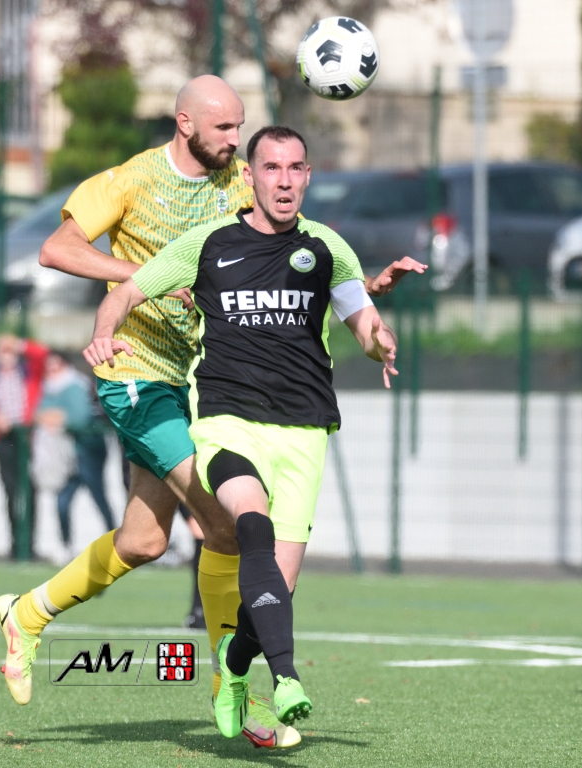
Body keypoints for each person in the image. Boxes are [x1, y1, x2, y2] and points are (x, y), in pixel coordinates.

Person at [0, 75, 422, 749]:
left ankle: (27, 613)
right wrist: (154, 274)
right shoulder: (132, 180)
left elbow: (286, 260)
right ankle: (236, 691)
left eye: (240, 127)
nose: (235, 139)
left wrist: (362, 291)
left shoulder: (236, 183)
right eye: (224, 128)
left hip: (195, 378)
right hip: (137, 373)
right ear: (185, 123)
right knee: (226, 523)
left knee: (144, 541)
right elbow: (57, 250)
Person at [85, 125, 405, 738]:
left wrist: (381, 343)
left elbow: (364, 324)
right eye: (271, 168)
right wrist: (105, 333)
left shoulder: (327, 248)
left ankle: (235, 667)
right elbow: (124, 294)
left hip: (303, 430)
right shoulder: (208, 243)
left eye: (295, 168)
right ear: (250, 177)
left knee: (276, 592)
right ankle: (286, 679)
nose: (284, 181)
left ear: (308, 176)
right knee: (248, 523)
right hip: (227, 421)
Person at [34, 351, 117, 560]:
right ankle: (65, 544)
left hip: (88, 453)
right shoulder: (49, 388)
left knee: (99, 498)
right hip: (66, 458)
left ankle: (115, 542)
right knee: (62, 501)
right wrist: (55, 417)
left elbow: (79, 417)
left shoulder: (76, 385)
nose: (51, 370)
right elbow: (39, 414)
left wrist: (56, 418)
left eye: (56, 365)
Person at [0, 335, 49, 559]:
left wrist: (19, 343)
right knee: (11, 492)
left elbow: (43, 354)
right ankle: (15, 544)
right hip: (5, 439)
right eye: (3, 351)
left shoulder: (28, 372)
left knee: (31, 492)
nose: (6, 356)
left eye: (10, 351)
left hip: (28, 438)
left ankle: (30, 545)